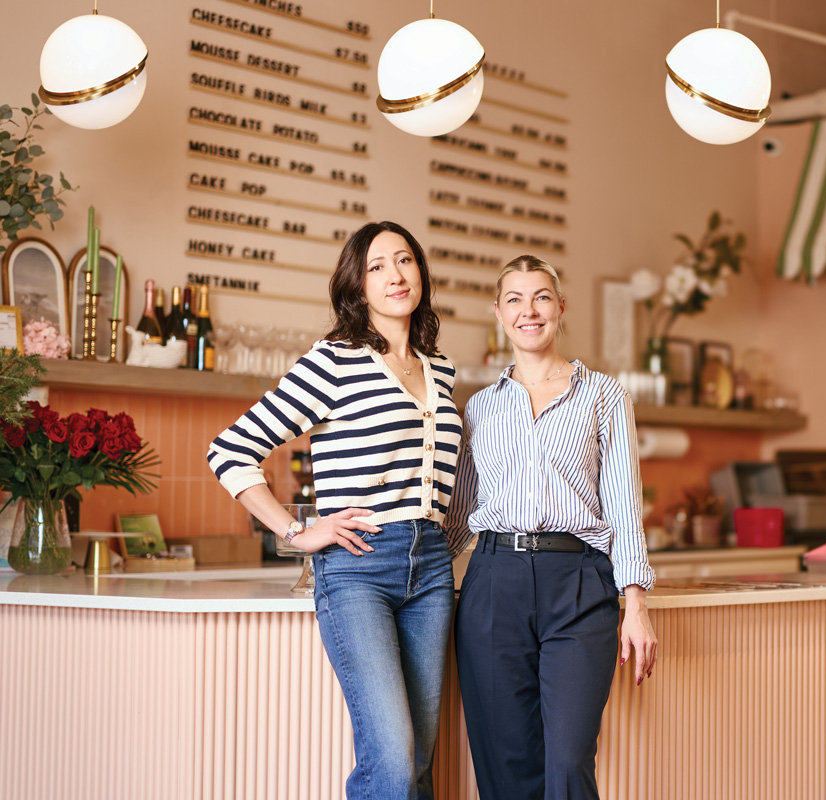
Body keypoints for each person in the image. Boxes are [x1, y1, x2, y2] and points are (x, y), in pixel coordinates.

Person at [207, 221, 462, 800]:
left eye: (404, 261)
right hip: (359, 568)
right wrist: (297, 532)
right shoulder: (335, 360)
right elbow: (230, 449)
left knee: (420, 761)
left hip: (431, 568)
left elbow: (449, 478)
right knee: (393, 762)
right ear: (358, 285)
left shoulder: (439, 369)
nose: (395, 275)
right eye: (376, 266)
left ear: (421, 272)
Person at [445, 254, 658, 800]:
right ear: (498, 313)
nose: (529, 311)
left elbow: (623, 508)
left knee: (567, 762)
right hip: (493, 583)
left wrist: (635, 605)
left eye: (541, 297)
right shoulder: (479, 410)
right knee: (505, 767)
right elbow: (460, 514)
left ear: (561, 308)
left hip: (579, 584)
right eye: (514, 299)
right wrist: (401, 573)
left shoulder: (605, 396)